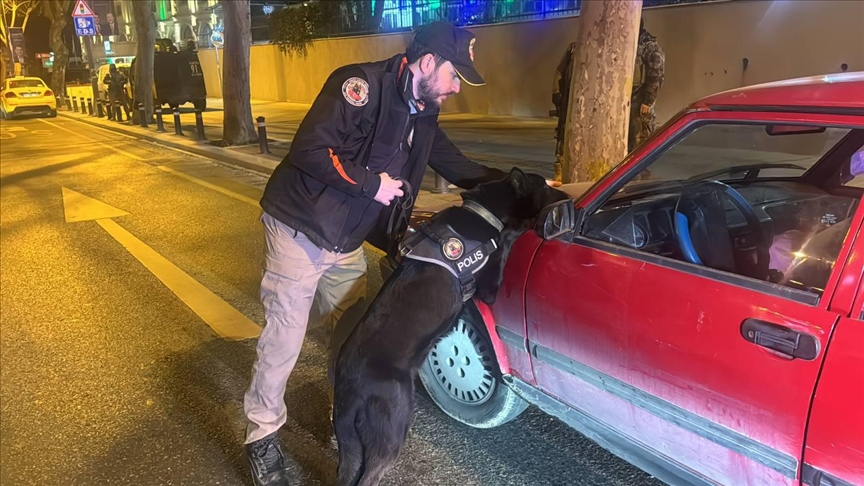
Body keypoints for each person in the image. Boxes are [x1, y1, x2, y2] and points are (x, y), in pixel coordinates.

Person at [243, 21, 529, 486]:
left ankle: (346, 420)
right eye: (455, 76)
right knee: (284, 341)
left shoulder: (425, 110)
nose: (457, 88)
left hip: (348, 240)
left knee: (355, 335)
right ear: (429, 61)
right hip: (300, 229)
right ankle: (262, 437)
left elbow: (458, 167)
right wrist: (371, 184)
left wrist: (522, 189)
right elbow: (310, 149)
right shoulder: (359, 86)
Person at [629, 19, 666, 154]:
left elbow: (657, 73)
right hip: (630, 103)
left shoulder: (649, 46)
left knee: (642, 143)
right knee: (630, 141)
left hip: (641, 104)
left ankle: (642, 174)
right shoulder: (629, 44)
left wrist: (648, 100)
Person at [551, 41, 578, 183]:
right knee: (563, 136)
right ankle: (560, 172)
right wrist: (556, 94)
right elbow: (559, 72)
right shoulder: (574, 48)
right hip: (569, 102)